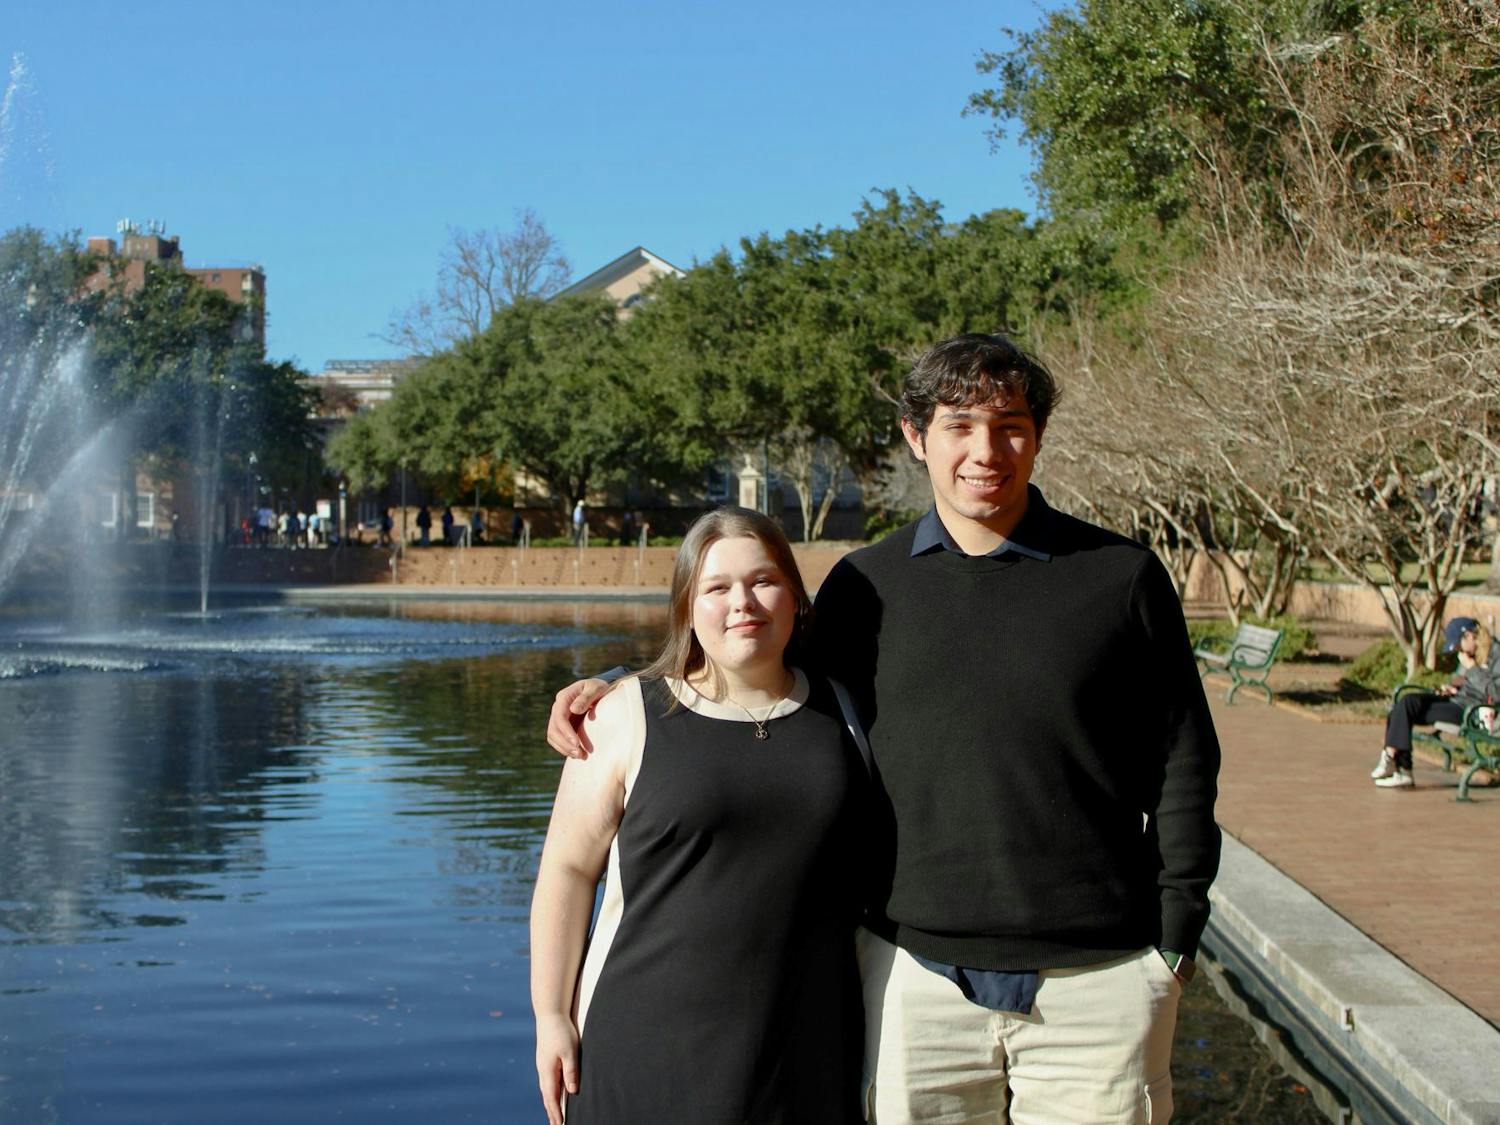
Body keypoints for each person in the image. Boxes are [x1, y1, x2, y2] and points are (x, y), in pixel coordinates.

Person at [548, 332, 1221, 1124]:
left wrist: (1174, 939)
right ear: (916, 436)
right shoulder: (867, 586)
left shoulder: (1121, 576)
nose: (986, 450)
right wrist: (623, 686)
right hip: (915, 986)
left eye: (1009, 425)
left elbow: (1184, 757)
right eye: (959, 425)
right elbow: (747, 662)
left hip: (1098, 982)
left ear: (1037, 434)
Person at [530, 507, 864, 1125]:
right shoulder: (623, 715)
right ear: (687, 606)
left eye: (763, 581)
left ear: (795, 594)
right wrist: (551, 1015)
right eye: (716, 587)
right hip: (643, 1052)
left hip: (805, 1056)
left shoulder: (844, 713)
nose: (743, 602)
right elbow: (568, 872)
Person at [1371, 616, 1498, 789]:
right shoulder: (1470, 653)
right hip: (1457, 699)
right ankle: (1395, 761)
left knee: (1405, 708)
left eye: (1459, 646)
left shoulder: (1495, 655)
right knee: (1407, 701)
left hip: (1472, 711)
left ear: (1469, 635)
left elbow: (1496, 692)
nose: (1459, 652)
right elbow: (1463, 680)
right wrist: (1452, 686)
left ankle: (1398, 765)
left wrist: (1473, 668)